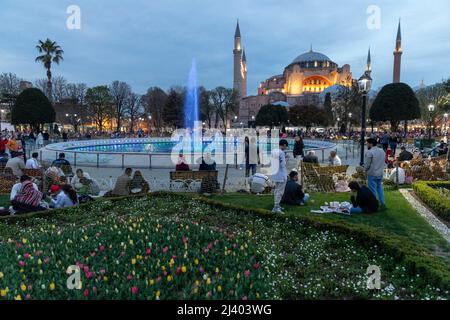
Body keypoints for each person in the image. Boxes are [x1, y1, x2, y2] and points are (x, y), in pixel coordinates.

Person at [364, 138, 386, 209]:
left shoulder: (370, 152)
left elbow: (367, 165)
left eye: (367, 143)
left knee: (372, 190)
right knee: (380, 188)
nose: (366, 144)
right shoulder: (382, 151)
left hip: (372, 173)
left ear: (370, 144)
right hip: (380, 173)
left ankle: (374, 205)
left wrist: (364, 170)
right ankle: (382, 203)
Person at [271, 139, 289, 214]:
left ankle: (277, 205)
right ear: (284, 145)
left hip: (275, 174)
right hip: (281, 174)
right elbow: (282, 164)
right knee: (280, 191)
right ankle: (276, 207)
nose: (286, 148)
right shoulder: (281, 153)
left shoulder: (273, 151)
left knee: (276, 190)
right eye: (286, 146)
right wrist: (286, 159)